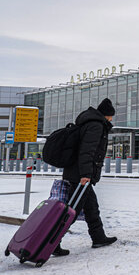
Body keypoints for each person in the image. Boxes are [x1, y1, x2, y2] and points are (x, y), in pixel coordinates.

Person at [55, 98, 118, 256]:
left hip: (77, 173)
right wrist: (85, 175)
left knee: (91, 207)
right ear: (106, 115)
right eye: (111, 116)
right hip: (80, 175)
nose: (111, 119)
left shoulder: (88, 122)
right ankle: (53, 241)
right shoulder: (96, 126)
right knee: (72, 211)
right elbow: (87, 151)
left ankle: (98, 237)